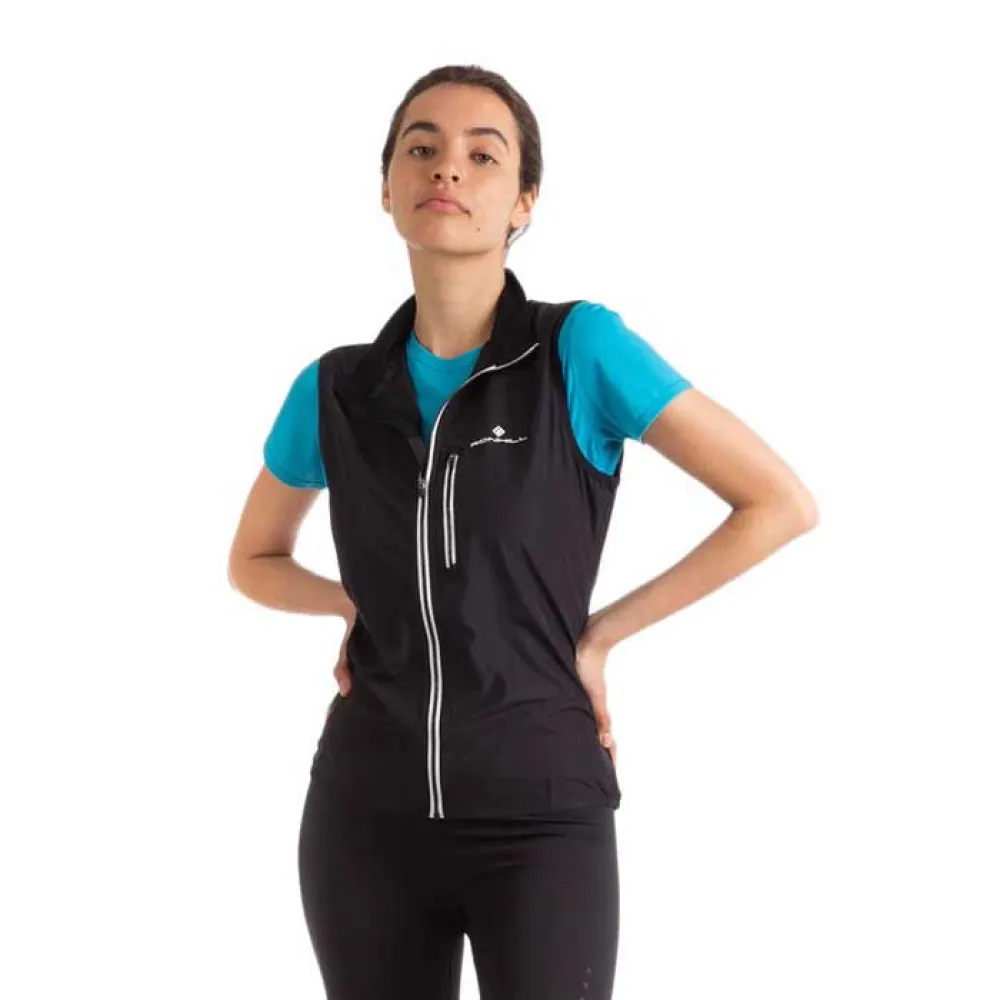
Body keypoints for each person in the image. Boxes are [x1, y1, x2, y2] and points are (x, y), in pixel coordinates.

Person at [228, 64, 819, 1000]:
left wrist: (602, 634)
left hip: (541, 813)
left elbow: (778, 502)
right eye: (421, 147)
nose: (447, 169)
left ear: (524, 202)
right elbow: (253, 560)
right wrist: (352, 602)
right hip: (364, 816)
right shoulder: (336, 388)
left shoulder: (578, 350)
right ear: (385, 188)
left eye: (482, 155)